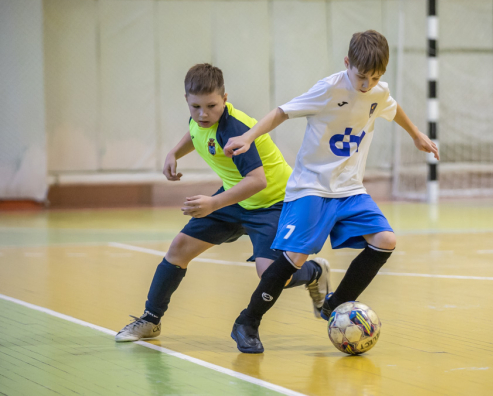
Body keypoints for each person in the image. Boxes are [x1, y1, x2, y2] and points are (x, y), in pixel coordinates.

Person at [224, 30, 439, 353]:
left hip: (349, 188)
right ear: (347, 63)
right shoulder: (328, 89)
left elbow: (392, 108)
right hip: (311, 186)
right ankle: (247, 322)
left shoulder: (378, 92)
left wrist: (416, 134)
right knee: (294, 258)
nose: (366, 84)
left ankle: (335, 303)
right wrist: (248, 137)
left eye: (375, 78)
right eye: (361, 76)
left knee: (385, 240)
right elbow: (282, 112)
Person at [115, 64, 330, 342]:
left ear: (225, 99)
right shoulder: (200, 118)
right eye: (195, 107)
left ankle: (315, 272)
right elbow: (195, 132)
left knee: (271, 275)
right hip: (235, 197)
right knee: (179, 248)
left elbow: (257, 181)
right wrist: (173, 153)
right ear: (187, 100)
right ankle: (150, 320)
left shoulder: (234, 129)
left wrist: (213, 203)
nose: (203, 114)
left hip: (275, 203)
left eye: (211, 106)